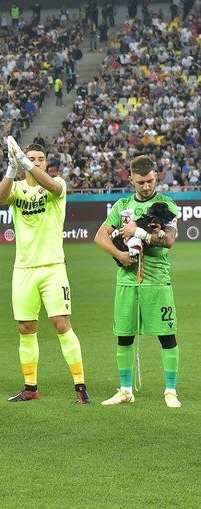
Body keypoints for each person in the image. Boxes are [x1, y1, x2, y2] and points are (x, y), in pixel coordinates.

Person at [0, 139, 90, 404]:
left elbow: (53, 188)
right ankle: (30, 387)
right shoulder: (17, 188)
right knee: (26, 327)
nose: (35, 162)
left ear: (46, 162)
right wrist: (12, 169)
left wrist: (26, 164)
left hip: (52, 267)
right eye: (31, 158)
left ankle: (80, 387)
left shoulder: (57, 185)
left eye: (39, 159)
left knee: (61, 324)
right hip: (23, 268)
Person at [93, 155, 182, 408]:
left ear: (156, 177)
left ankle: (171, 391)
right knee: (124, 336)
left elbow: (169, 241)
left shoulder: (166, 205)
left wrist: (138, 232)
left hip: (157, 280)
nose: (146, 186)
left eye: (151, 181)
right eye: (141, 182)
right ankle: (125, 390)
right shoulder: (122, 205)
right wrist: (120, 255)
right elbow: (100, 237)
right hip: (127, 282)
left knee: (167, 335)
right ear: (130, 178)